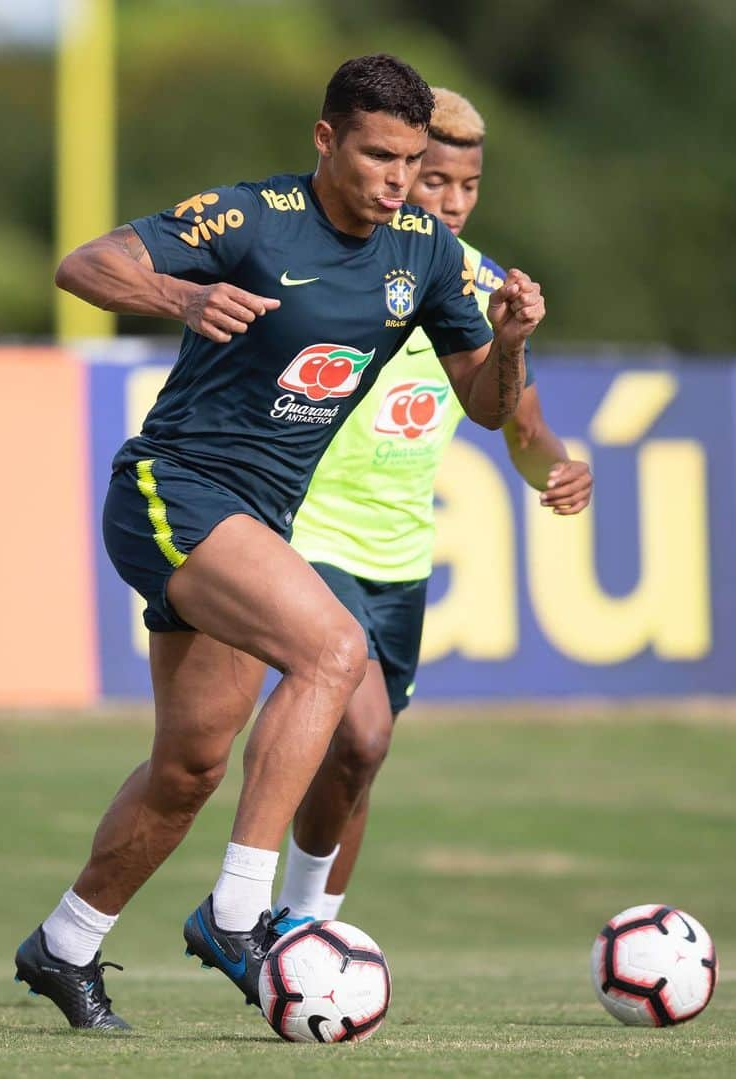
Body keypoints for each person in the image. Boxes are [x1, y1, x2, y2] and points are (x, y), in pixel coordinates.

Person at [13, 55, 544, 1029]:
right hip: (169, 488)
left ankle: (65, 942)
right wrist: (181, 297)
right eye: (379, 155)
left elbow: (484, 406)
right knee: (334, 648)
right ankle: (240, 910)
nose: (397, 179)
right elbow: (83, 263)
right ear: (325, 140)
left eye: (412, 160)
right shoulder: (249, 215)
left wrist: (506, 342)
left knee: (190, 768)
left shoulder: (422, 252)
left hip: (253, 522)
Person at [275, 88, 592, 924]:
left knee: (356, 764)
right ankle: (289, 929)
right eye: (432, 181)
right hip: (307, 537)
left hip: (399, 562)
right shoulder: (335, 255)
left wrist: (559, 468)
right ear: (398, 171)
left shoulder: (478, 284)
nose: (451, 202)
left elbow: (521, 429)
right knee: (362, 732)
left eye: (469, 185)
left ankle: (307, 929)